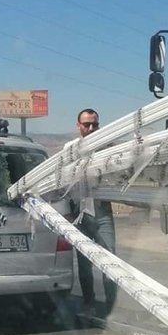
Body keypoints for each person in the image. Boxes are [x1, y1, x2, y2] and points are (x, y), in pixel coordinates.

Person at [71, 108, 118, 316]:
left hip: (102, 213)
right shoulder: (70, 151)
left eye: (95, 125)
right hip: (80, 215)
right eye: (87, 124)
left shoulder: (106, 150)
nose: (91, 128)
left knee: (110, 262)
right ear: (78, 125)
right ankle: (89, 303)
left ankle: (110, 307)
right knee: (84, 264)